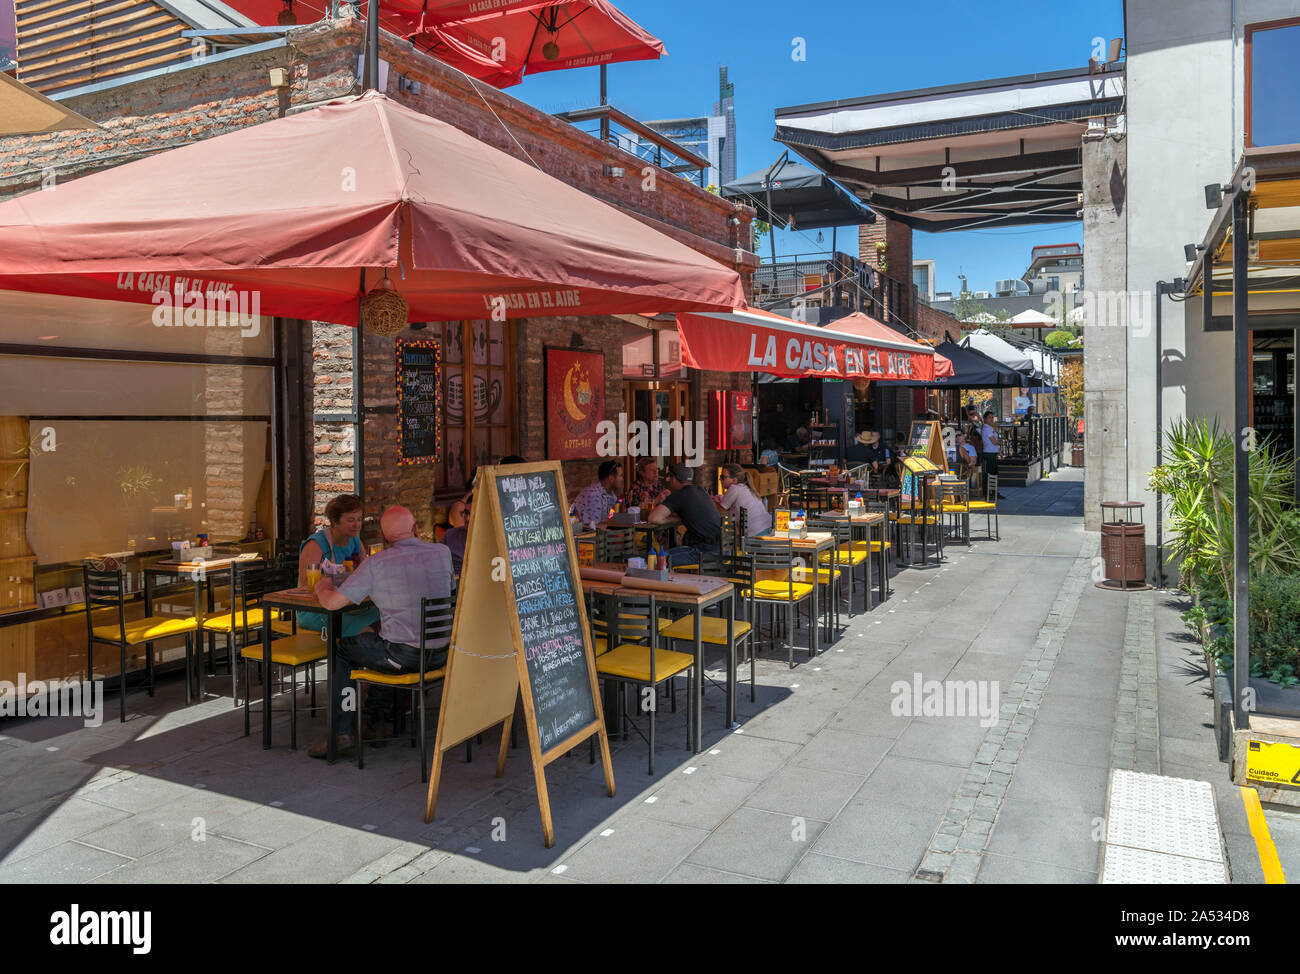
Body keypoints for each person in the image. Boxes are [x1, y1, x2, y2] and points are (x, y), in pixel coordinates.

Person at [309, 505, 455, 758]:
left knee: (342, 650)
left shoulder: (378, 562)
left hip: (403, 657)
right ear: (416, 530)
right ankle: (376, 722)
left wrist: (322, 587)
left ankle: (343, 731)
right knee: (376, 636)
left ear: (385, 537)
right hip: (443, 653)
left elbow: (332, 604)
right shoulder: (442, 552)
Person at [297, 494, 380, 640]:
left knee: (383, 616)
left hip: (346, 606)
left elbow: (366, 571)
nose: (357, 525)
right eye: (350, 520)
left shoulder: (354, 540)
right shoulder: (316, 545)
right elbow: (305, 584)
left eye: (359, 520)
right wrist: (342, 576)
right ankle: (350, 659)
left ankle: (372, 659)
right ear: (335, 521)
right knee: (365, 626)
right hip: (317, 610)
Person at [648, 463, 721, 566]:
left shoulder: (679, 495)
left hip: (706, 552)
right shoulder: (701, 490)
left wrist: (675, 520)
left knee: (656, 561)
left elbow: (653, 518)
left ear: (674, 479)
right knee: (662, 555)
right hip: (721, 549)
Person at [714, 463, 772, 537]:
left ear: (734, 480)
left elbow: (721, 511)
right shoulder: (745, 488)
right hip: (767, 529)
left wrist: (714, 502)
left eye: (722, 477)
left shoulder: (734, 488)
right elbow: (727, 500)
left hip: (755, 534)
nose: (720, 479)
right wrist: (719, 499)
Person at [572, 459, 624, 529]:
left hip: (595, 535)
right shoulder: (593, 495)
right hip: (582, 537)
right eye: (620, 476)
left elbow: (617, 514)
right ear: (611, 479)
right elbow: (594, 528)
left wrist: (627, 503)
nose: (622, 479)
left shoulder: (609, 492)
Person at [442, 494, 470, 574]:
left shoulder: (493, 538)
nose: (467, 518)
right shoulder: (450, 535)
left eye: (472, 513)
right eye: (466, 513)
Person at [980, 410, 1006, 498]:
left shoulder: (990, 428)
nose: (991, 419)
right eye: (989, 418)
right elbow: (994, 441)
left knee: (994, 473)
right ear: (985, 419)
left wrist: (999, 451)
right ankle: (989, 492)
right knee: (990, 474)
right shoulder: (987, 428)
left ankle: (993, 492)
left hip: (992, 452)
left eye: (992, 417)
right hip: (989, 453)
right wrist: (1001, 442)